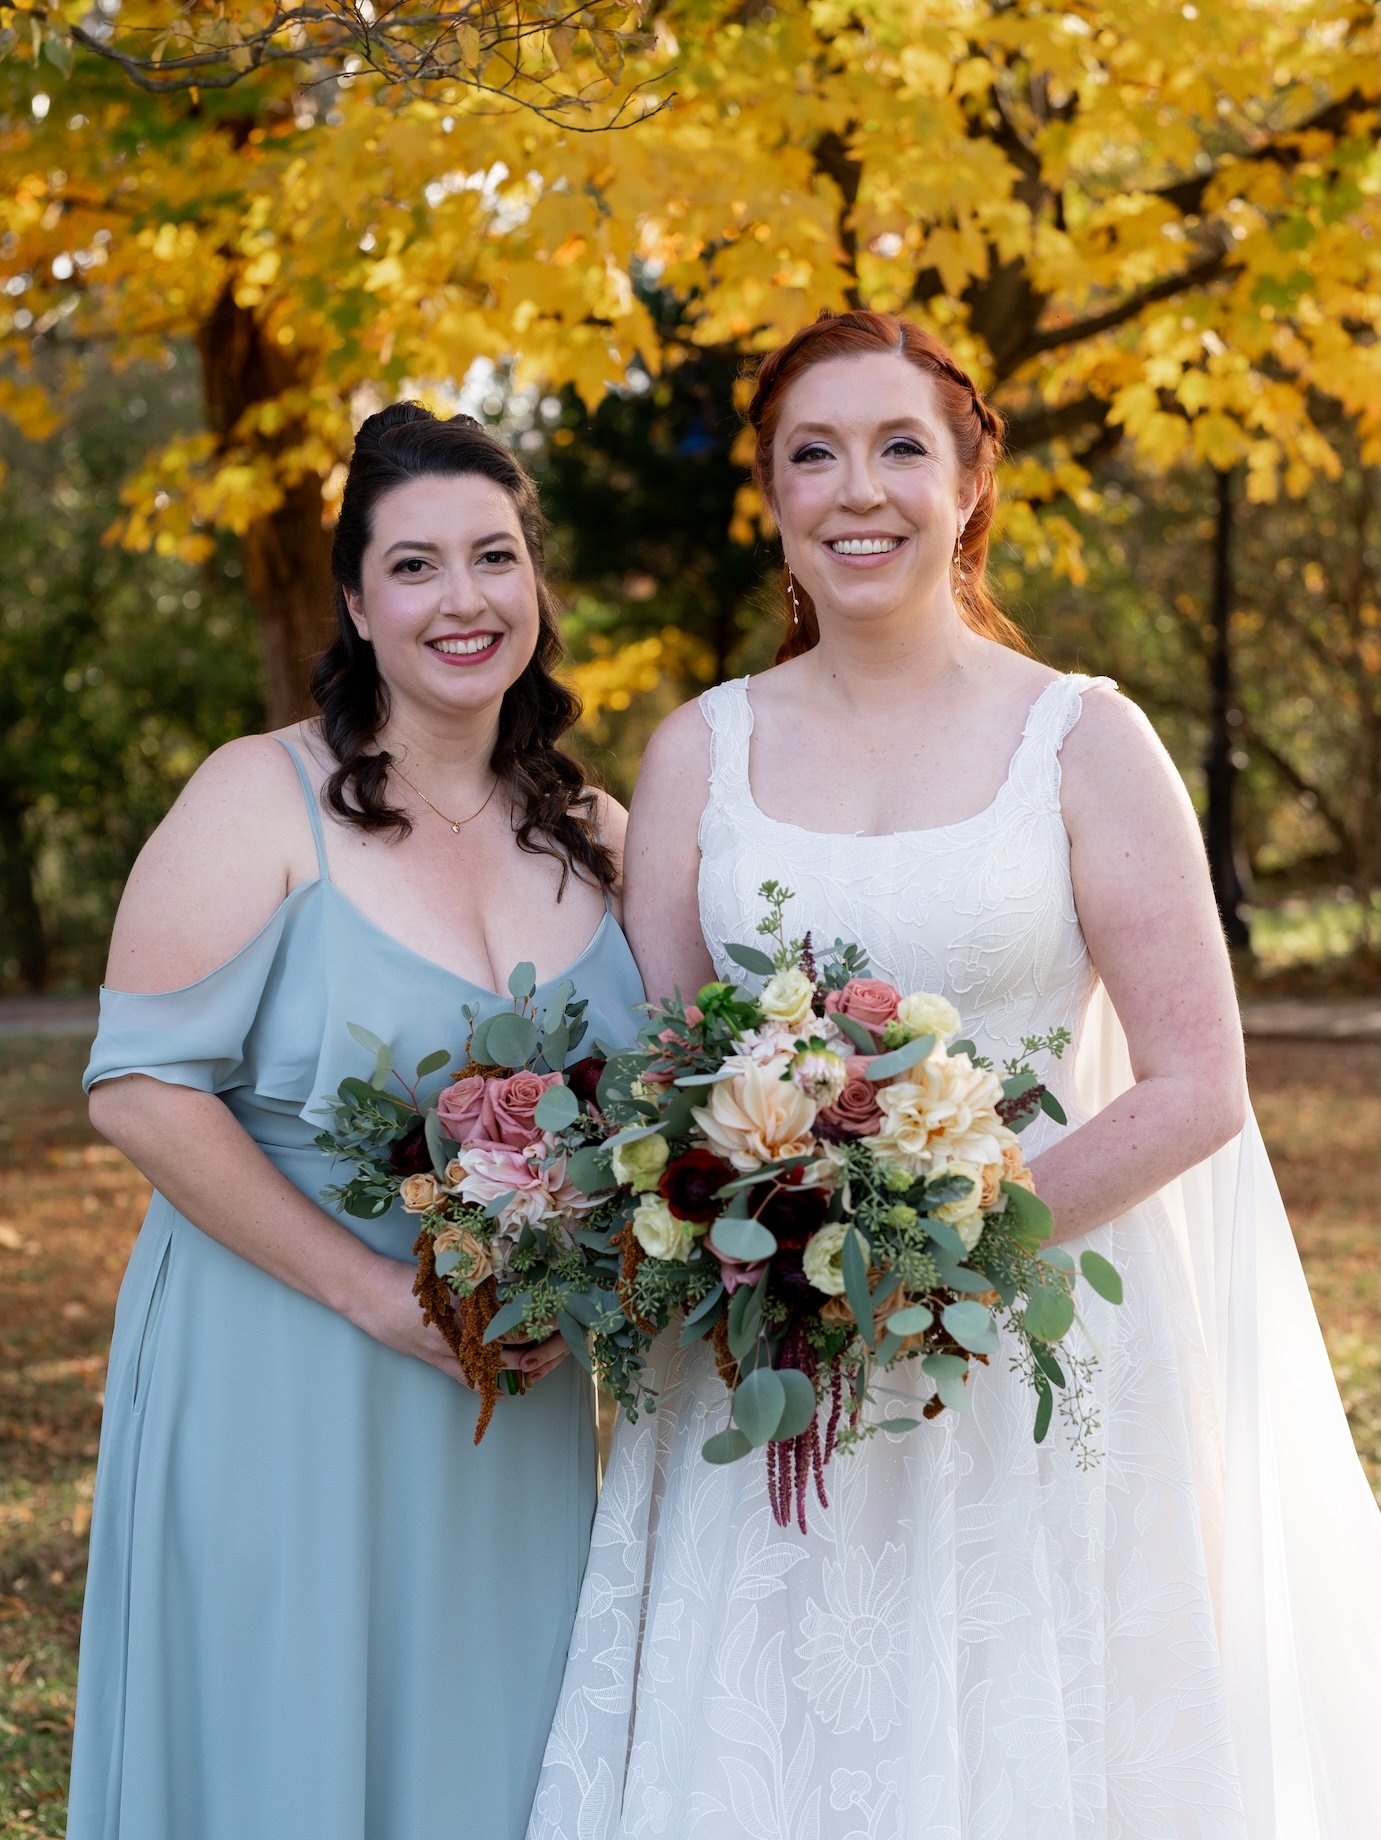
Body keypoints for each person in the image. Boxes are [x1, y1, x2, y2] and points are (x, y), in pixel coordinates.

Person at [527, 312, 1381, 1840]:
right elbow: (668, 1074)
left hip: (1023, 1354)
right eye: (813, 454)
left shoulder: (1081, 739)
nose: (857, 489)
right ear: (771, 495)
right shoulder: (698, 751)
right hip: (770, 1358)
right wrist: (767, 1234)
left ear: (971, 480)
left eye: (899, 448)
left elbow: (1195, 1082)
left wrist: (930, 1250)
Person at [68, 404, 645, 1840]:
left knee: (496, 1745)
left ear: (535, 584)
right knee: (283, 1738)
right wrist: (375, 1294)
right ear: (355, 602)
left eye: (494, 556)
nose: (464, 599)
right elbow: (139, 1084)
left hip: (509, 1394)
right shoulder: (256, 797)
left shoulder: (600, 833)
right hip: (281, 1354)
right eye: (414, 565)